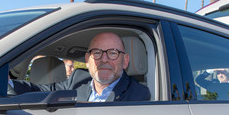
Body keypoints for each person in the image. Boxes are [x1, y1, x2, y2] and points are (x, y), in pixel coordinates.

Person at [12, 32, 150, 102]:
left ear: (125, 61)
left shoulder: (141, 96)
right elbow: (39, 90)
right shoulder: (78, 80)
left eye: (113, 53)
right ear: (87, 60)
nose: (104, 59)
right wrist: (5, 82)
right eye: (97, 53)